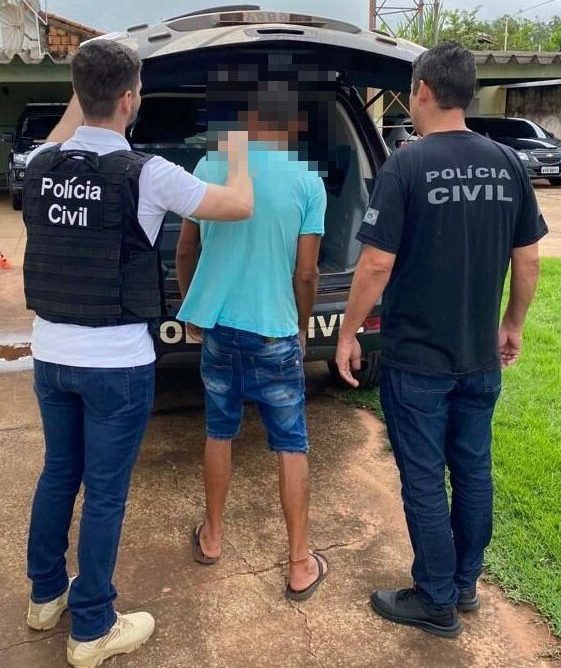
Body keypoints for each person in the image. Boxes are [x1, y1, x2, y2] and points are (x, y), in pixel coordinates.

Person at [23, 39, 253, 668]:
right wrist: (238, 147)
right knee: (104, 493)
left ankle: (45, 597)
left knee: (58, 474)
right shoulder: (148, 173)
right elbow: (238, 205)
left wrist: (88, 83)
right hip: (116, 365)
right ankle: (93, 626)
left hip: (51, 356)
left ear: (80, 93)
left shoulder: (39, 163)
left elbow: (67, 129)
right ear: (130, 100)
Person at [336, 43, 547, 638]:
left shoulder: (407, 165)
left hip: (418, 361)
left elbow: (376, 264)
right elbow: (528, 258)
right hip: (480, 357)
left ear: (422, 90)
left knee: (425, 477)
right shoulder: (508, 163)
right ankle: (463, 584)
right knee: (473, 471)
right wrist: (513, 324)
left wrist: (349, 331)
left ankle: (435, 599)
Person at [176, 84, 329, 600]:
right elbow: (306, 273)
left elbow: (186, 251)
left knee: (219, 430)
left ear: (248, 121)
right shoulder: (308, 181)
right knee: (291, 443)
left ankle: (213, 537)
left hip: (219, 327)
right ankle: (299, 564)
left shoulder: (209, 167)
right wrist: (301, 326)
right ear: (292, 128)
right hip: (275, 330)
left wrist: (193, 307)